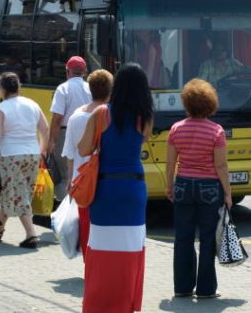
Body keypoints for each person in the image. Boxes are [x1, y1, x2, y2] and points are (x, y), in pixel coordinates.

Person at [77, 63, 153, 313]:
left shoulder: (101, 114)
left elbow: (83, 149)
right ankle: (125, 304)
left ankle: (99, 304)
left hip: (106, 188)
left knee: (101, 249)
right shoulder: (145, 118)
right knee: (131, 249)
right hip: (133, 189)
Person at [165, 78, 232, 299]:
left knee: (183, 237)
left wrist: (169, 186)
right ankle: (206, 289)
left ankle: (182, 287)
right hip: (210, 187)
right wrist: (228, 193)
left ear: (187, 103)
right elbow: (221, 165)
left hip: (183, 183)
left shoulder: (176, 129)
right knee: (207, 239)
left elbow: (170, 162)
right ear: (210, 104)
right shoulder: (216, 131)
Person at [0, 72, 49, 248]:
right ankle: (0, 227)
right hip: (32, 154)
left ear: (2, 89)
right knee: (14, 191)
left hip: (11, 155)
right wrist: (42, 150)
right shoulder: (32, 104)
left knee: (19, 193)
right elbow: (45, 129)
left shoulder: (1, 108)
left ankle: (31, 234)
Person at [61, 69, 113, 260]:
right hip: (104, 178)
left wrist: (69, 178)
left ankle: (88, 262)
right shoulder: (110, 116)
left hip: (81, 179)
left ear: (90, 89)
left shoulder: (76, 116)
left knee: (85, 222)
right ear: (110, 91)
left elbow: (70, 152)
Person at [47, 56, 91, 200]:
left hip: (66, 133)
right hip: (88, 132)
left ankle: (67, 204)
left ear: (67, 71)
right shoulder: (90, 88)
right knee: (84, 168)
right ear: (84, 72)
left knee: (66, 171)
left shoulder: (63, 89)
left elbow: (57, 118)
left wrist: (51, 141)